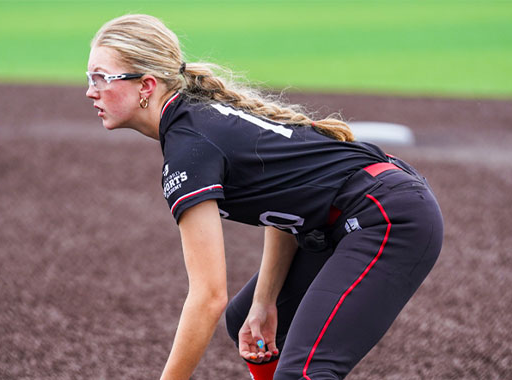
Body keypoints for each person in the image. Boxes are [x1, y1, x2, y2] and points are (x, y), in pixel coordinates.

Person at [85, 14, 444, 380]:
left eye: (101, 77)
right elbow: (285, 199)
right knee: (248, 320)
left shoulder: (189, 147)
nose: (90, 90)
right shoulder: (196, 118)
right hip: (361, 208)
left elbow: (208, 297)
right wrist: (264, 300)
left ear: (146, 85)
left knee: (305, 372)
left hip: (388, 216)